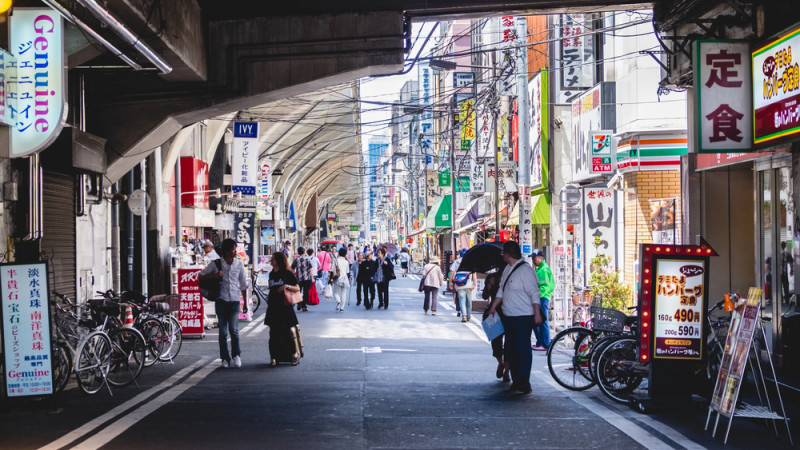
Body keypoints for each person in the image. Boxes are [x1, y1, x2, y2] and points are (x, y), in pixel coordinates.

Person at [486, 241, 542, 394]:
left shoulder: (526, 271)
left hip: (524, 316)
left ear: (508, 254)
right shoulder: (507, 270)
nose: (502, 255)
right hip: (508, 316)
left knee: (523, 348)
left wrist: (537, 313)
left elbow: (535, 293)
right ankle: (516, 379)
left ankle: (524, 380)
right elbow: (501, 291)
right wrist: (493, 307)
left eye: (503, 253)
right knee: (511, 348)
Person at [198, 238, 247, 369]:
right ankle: (225, 358)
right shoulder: (217, 264)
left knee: (234, 330)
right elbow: (200, 276)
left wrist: (245, 303)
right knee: (223, 332)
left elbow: (243, 284)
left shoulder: (239, 264)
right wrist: (215, 275)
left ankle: (236, 355)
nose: (235, 251)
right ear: (226, 250)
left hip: (234, 301)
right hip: (221, 300)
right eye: (233, 248)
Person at [264, 252, 301, 367]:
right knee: (273, 333)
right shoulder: (271, 274)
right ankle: (274, 357)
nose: (271, 260)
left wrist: (286, 286)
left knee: (288, 331)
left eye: (274, 259)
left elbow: (297, 287)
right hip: (273, 307)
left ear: (279, 260)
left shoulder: (287, 273)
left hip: (285, 306)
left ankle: (294, 354)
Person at [482, 267, 509, 382]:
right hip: (495, 313)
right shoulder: (491, 277)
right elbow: (484, 296)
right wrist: (489, 285)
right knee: (496, 342)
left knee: (510, 344)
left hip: (510, 313)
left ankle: (507, 372)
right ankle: (501, 363)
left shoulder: (511, 277)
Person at [530, 249, 555, 351]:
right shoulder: (540, 269)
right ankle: (541, 342)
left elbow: (545, 286)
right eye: (532, 258)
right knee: (536, 321)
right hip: (541, 297)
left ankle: (545, 344)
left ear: (541, 258)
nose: (533, 260)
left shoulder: (543, 270)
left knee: (542, 321)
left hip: (542, 298)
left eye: (534, 258)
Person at [449, 248, 476, 323]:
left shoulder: (456, 262)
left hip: (459, 284)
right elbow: (474, 274)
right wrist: (474, 284)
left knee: (462, 300)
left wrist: (450, 282)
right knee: (469, 301)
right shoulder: (470, 262)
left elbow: (452, 273)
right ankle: (468, 315)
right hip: (469, 284)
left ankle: (464, 315)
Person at [290, 246, 313, 312]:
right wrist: (312, 278)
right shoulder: (308, 259)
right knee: (306, 293)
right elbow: (310, 269)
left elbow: (292, 269)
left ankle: (299, 302)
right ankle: (304, 306)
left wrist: (294, 275)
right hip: (307, 278)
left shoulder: (296, 260)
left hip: (298, 278)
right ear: (304, 252)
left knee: (298, 292)